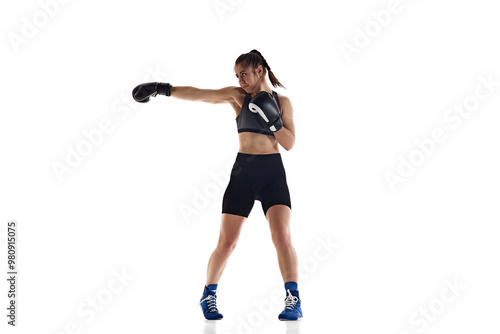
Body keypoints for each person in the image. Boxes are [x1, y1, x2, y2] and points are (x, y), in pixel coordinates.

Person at [132, 49, 302, 321]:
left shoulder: (283, 102)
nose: (240, 80)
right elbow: (200, 94)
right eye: (236, 75)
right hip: (243, 174)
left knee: (282, 237)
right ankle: (208, 295)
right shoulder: (238, 97)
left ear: (259, 70)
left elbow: (290, 143)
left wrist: (273, 122)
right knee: (226, 244)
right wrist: (163, 89)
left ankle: (293, 299)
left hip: (273, 174)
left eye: (243, 74)